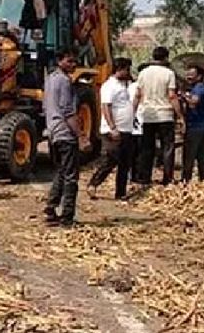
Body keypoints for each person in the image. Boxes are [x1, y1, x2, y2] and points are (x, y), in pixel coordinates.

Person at [42, 49, 90, 227]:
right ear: (60, 61)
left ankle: (51, 208)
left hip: (53, 132)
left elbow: (47, 107)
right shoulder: (64, 81)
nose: (73, 65)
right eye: (69, 61)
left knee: (61, 171)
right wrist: (81, 136)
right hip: (65, 133)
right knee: (71, 176)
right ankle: (67, 217)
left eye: (74, 61)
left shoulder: (50, 79)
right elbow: (68, 111)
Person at [133, 46, 184, 186]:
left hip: (148, 115)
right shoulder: (169, 73)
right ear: (166, 57)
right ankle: (167, 179)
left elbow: (138, 94)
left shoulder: (143, 73)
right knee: (167, 147)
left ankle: (145, 178)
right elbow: (172, 96)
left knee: (147, 148)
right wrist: (180, 115)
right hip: (165, 115)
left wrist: (132, 112)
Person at [87, 58, 134, 200]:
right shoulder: (109, 86)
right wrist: (113, 127)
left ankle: (121, 192)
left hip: (126, 128)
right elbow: (105, 107)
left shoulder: (125, 84)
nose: (128, 72)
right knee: (111, 159)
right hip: (113, 130)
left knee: (125, 162)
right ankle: (93, 183)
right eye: (126, 69)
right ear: (119, 69)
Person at [181, 65, 204, 183]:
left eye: (191, 75)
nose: (188, 77)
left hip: (195, 127)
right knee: (202, 155)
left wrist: (183, 96)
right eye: (187, 74)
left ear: (199, 76)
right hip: (203, 127)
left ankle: (186, 180)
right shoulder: (196, 88)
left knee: (189, 155)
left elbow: (193, 102)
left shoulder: (199, 88)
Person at [128, 63, 148, 183]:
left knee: (134, 151)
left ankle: (134, 175)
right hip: (141, 120)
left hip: (133, 121)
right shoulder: (142, 87)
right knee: (141, 150)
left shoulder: (131, 86)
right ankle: (139, 175)